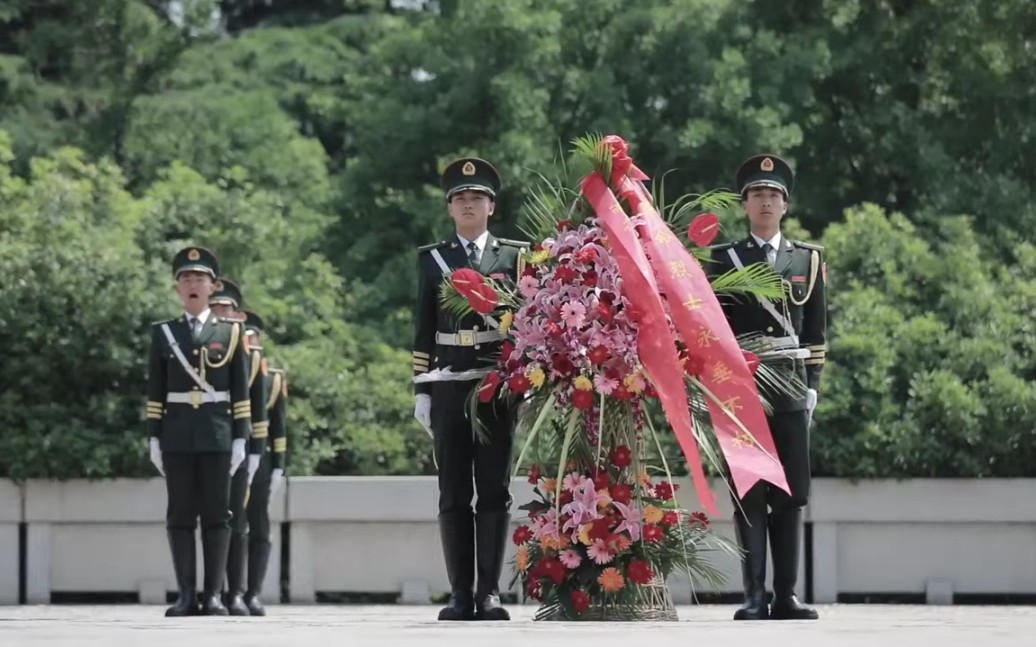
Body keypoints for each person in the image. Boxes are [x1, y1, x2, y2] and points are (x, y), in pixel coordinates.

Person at [708, 154, 826, 621]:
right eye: (757, 194)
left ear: (786, 205)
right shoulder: (724, 259)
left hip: (792, 384)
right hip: (743, 385)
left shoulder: (808, 259)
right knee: (751, 490)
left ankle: (787, 594)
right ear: (745, 204)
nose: (766, 201)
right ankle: (754, 594)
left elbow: (815, 332)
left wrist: (812, 385)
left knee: (792, 492)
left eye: (773, 194)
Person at [412, 157, 527, 621]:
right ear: (449, 208)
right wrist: (421, 389)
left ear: (491, 206)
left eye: (476, 197)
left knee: (494, 490)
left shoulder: (514, 257)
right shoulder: (432, 260)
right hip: (447, 383)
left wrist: (525, 382)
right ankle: (460, 594)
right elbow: (422, 327)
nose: (467, 203)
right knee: (453, 490)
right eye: (460, 198)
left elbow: (524, 325)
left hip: (494, 384)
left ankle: (490, 592)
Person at [146, 246, 252, 616]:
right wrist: (153, 437)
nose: (193, 284)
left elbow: (241, 391)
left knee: (217, 515)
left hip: (217, 433)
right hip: (176, 435)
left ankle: (214, 596)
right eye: (186, 279)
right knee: (179, 515)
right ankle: (186, 595)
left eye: (199, 279)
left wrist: (241, 437)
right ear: (178, 289)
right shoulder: (164, 334)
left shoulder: (231, 332)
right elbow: (155, 390)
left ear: (212, 286)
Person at [208, 278, 267, 615]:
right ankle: (208, 592)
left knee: (238, 517)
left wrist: (255, 448)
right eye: (214, 308)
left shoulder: (248, 351)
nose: (220, 314)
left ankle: (237, 593)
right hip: (207, 437)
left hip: (238, 441)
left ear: (237, 313)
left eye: (225, 308)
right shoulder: (199, 342)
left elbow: (256, 405)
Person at [242, 309, 287, 616]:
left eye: (252, 337)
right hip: (229, 457)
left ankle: (253, 591)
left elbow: (279, 428)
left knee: (259, 526)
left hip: (261, 461)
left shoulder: (271, 380)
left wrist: (278, 466)